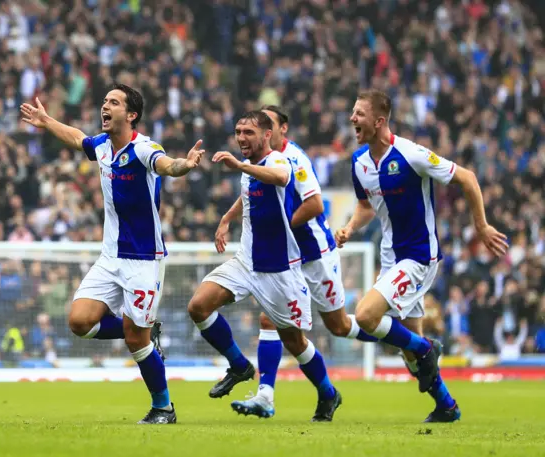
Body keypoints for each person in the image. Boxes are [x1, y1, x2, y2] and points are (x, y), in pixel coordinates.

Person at [20, 83, 204, 424]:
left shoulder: (144, 148)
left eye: (114, 102)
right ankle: (145, 329)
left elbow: (166, 165)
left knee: (137, 343)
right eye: (105, 100)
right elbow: (78, 139)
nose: (105, 106)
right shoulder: (102, 145)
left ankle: (163, 407)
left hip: (144, 260)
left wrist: (186, 165)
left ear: (130, 115)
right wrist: (47, 122)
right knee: (79, 322)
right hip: (110, 257)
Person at [336, 89, 508, 422]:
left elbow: (468, 179)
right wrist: (349, 228)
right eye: (352, 112)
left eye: (359, 113)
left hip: (418, 257)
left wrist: (482, 226)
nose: (352, 118)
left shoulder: (411, 154)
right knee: (410, 354)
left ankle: (428, 348)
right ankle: (446, 405)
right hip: (391, 258)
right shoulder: (359, 163)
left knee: (367, 315)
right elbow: (365, 206)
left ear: (379, 120)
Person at [187, 111, 342, 422]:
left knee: (295, 342)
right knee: (198, 306)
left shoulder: (279, 161)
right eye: (238, 132)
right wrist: (226, 219)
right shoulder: (250, 169)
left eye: (248, 132)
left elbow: (281, 178)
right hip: (247, 261)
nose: (242, 138)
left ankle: (327, 392)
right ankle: (239, 366)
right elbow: (247, 196)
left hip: (280, 269)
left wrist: (240, 165)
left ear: (267, 135)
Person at [229, 105, 377, 419]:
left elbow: (312, 205)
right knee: (273, 322)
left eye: (266, 123)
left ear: (280, 129)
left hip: (314, 254)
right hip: (286, 257)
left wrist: (282, 228)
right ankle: (267, 394)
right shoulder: (260, 162)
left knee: (338, 325)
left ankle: (401, 341)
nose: (257, 129)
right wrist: (228, 218)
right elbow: (252, 191)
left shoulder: (294, 160)